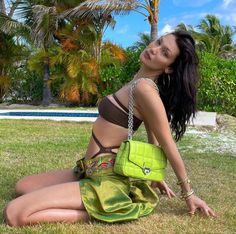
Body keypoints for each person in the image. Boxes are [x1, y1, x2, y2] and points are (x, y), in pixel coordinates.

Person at [3, 31, 216, 227]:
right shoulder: (137, 83)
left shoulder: (145, 89)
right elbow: (153, 135)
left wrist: (189, 194)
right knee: (23, 186)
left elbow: (168, 144)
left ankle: (102, 211)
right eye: (159, 42)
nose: (154, 48)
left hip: (106, 179)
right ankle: (95, 203)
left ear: (168, 67)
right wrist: (154, 174)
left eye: (164, 52)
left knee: (14, 213)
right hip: (88, 169)